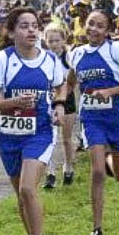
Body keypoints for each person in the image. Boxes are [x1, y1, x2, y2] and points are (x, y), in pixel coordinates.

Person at [0, 7, 67, 235]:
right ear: (11, 32)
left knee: (27, 188)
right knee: (20, 196)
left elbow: (61, 86)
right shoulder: (1, 61)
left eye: (35, 25)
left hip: (41, 132)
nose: (32, 30)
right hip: (9, 135)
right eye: (24, 26)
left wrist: (58, 104)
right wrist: (11, 104)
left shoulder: (50, 60)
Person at [67, 9, 119, 235]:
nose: (94, 29)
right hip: (92, 118)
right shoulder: (76, 54)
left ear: (108, 30)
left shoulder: (117, 50)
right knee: (97, 171)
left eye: (100, 26)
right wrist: (57, 104)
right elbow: (69, 84)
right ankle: (96, 230)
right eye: (90, 24)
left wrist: (109, 92)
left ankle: (112, 159)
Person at [43, 23, 77, 188]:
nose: (54, 44)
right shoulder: (43, 57)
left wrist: (67, 92)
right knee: (49, 137)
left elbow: (74, 76)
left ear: (64, 40)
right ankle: (50, 172)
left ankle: (68, 167)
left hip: (67, 99)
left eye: (57, 40)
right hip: (49, 99)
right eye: (50, 41)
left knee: (66, 138)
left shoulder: (69, 56)